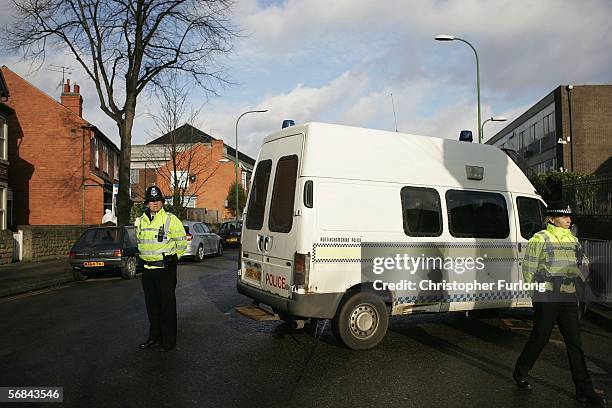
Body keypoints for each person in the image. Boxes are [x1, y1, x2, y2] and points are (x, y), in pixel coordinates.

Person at [513, 200, 607, 406]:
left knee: (575, 344)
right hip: (547, 299)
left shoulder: (573, 240)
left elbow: (584, 265)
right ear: (552, 218)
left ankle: (584, 390)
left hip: (568, 298)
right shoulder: (540, 239)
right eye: (565, 216)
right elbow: (528, 271)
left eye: (569, 216)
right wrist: (537, 297)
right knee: (540, 337)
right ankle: (520, 371)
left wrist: (584, 278)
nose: (569, 220)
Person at [135, 185, 187, 352]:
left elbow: (182, 243)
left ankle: (169, 341)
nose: (155, 203)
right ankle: (154, 337)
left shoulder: (171, 220)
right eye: (151, 201)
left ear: (162, 202)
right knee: (152, 307)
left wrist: (174, 258)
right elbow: (140, 242)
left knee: (167, 306)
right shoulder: (141, 221)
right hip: (147, 271)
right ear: (147, 203)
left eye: (157, 200)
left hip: (164, 270)